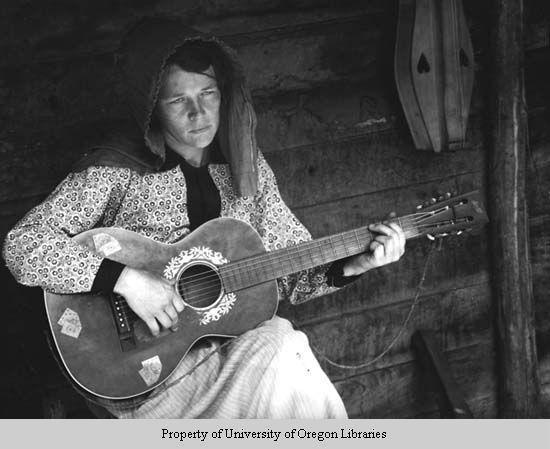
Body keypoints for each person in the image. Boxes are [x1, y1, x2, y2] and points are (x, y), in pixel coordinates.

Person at [2, 16, 405, 418]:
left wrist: (355, 264)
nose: (199, 113)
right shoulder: (115, 171)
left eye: (208, 93)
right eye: (178, 100)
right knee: (283, 349)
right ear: (150, 107)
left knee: (284, 345)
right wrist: (126, 281)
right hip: (147, 369)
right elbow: (23, 246)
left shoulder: (246, 167)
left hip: (234, 350)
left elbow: (290, 274)